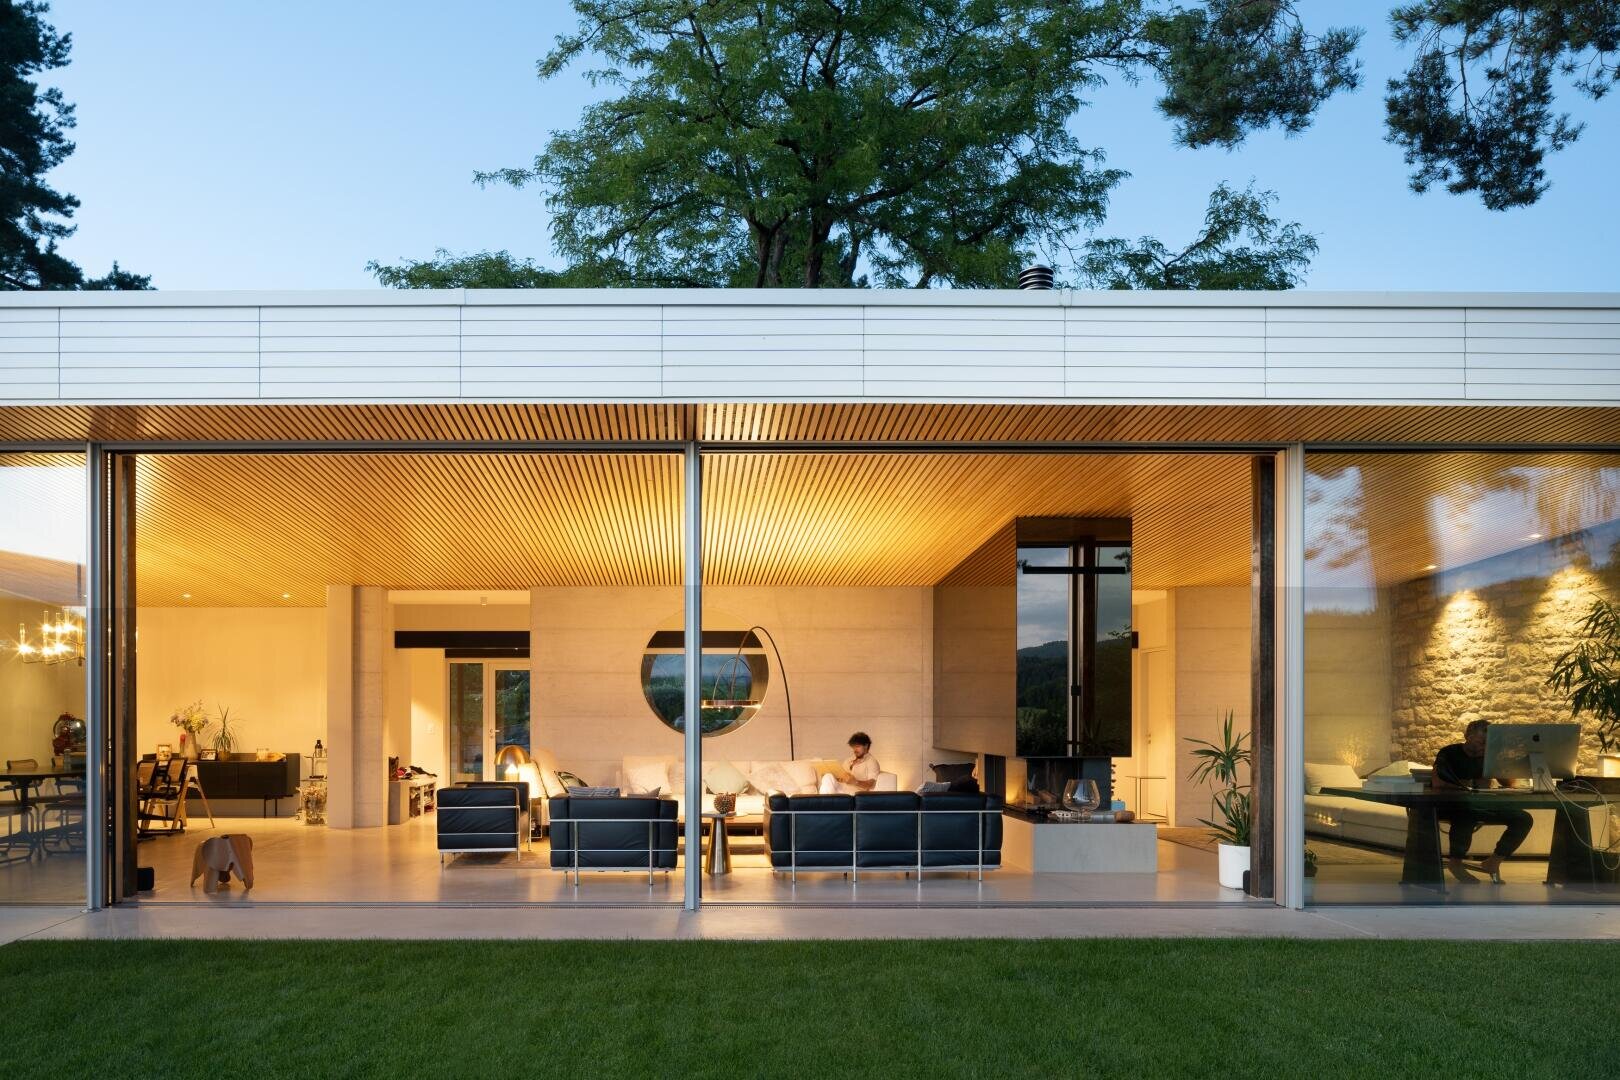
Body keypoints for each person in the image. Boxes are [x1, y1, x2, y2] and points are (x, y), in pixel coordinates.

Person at [1432, 718, 1533, 883]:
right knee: (1466, 814)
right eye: (1481, 742)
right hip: (1450, 805)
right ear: (1468, 736)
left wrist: (1498, 760)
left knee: (1523, 818)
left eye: (1488, 743)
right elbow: (1437, 782)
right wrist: (1466, 785)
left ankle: (1493, 862)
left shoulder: (1488, 755)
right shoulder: (1449, 753)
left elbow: (1509, 783)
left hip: (1480, 805)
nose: (1483, 747)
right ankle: (1455, 863)